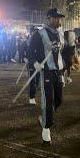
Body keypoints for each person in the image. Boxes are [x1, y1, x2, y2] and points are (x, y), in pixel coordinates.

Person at [28, 8, 65, 144]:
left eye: (59, 18)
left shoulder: (61, 34)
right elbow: (30, 51)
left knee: (59, 100)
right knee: (47, 100)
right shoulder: (40, 34)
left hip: (58, 71)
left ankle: (45, 116)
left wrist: (68, 65)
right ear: (49, 18)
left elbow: (64, 51)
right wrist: (36, 63)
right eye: (55, 18)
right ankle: (46, 128)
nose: (58, 20)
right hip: (47, 72)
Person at [25, 26, 40, 105]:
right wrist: (25, 57)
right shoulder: (28, 39)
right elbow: (25, 49)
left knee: (37, 78)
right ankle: (32, 97)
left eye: (36, 31)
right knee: (32, 80)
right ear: (31, 32)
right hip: (31, 62)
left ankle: (36, 88)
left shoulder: (39, 38)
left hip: (38, 62)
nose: (35, 32)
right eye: (34, 31)